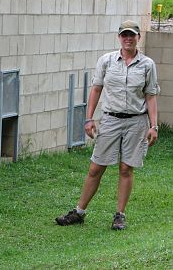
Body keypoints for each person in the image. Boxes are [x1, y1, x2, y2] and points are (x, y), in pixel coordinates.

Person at [55, 20, 160, 230]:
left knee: (125, 168)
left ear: (139, 37)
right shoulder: (107, 61)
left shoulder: (147, 65)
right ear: (119, 37)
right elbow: (96, 89)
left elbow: (150, 96)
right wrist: (89, 118)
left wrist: (154, 126)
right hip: (111, 119)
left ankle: (119, 215)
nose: (128, 39)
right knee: (96, 167)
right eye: (124, 35)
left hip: (136, 122)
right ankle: (79, 212)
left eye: (132, 35)